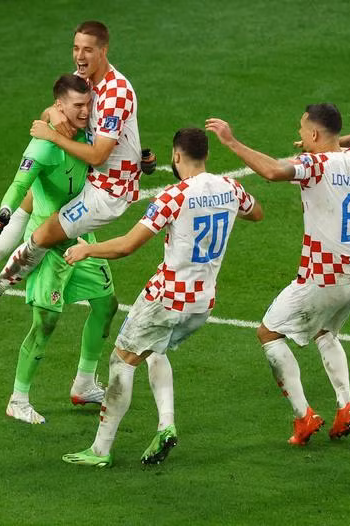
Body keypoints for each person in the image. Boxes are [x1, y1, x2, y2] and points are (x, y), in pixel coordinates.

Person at [60, 128, 263, 467]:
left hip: (166, 299)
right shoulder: (231, 188)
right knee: (155, 351)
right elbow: (256, 212)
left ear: (176, 156)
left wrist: (87, 249)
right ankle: (166, 424)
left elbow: (127, 245)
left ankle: (99, 451)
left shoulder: (173, 196)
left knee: (121, 362)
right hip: (201, 304)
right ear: (207, 155)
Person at [0, 19, 155, 300]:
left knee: (43, 236)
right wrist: (53, 113)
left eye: (87, 50)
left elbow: (99, 155)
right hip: (87, 173)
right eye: (75, 48)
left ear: (103, 51)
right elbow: (56, 110)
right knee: (33, 195)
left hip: (110, 189)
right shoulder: (82, 80)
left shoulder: (116, 93)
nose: (79, 56)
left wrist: (53, 136)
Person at [206, 106, 350, 445]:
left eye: (303, 130)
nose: (301, 135)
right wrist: (340, 142)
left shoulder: (314, 165)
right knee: (325, 332)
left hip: (323, 278)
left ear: (316, 135)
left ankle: (304, 417)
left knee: (269, 333)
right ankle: (345, 405)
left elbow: (274, 172)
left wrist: (232, 142)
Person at [0, 74, 118, 422]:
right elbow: (20, 182)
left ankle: (84, 384)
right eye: (78, 106)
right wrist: (5, 211)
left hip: (81, 237)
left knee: (106, 303)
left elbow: (110, 141)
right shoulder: (42, 146)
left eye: (88, 104)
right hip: (48, 243)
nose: (86, 111)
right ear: (60, 106)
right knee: (46, 322)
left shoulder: (88, 131)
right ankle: (18, 399)